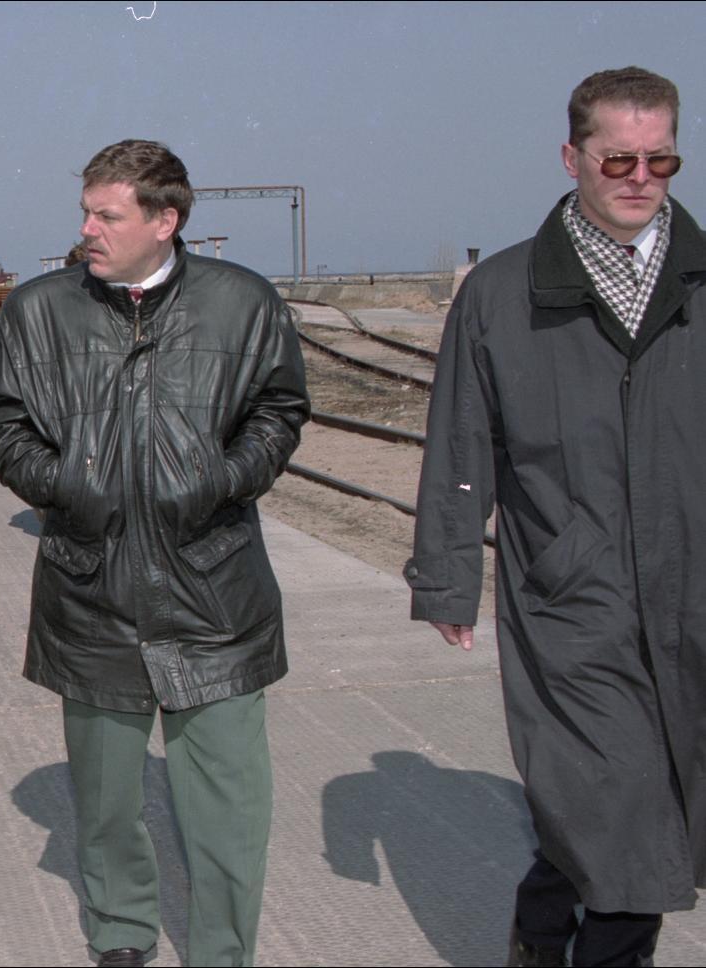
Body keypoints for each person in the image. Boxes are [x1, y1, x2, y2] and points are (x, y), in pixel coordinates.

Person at [0, 140, 308, 968]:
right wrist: (63, 484)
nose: (86, 229)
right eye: (85, 212)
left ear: (166, 220)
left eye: (106, 215)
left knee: (228, 809)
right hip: (90, 591)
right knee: (106, 799)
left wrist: (222, 477)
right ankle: (120, 932)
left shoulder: (242, 303)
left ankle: (222, 951)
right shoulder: (38, 311)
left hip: (214, 591)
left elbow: (278, 409)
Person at [408, 66, 702, 967]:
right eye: (618, 159)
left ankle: (540, 931)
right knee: (622, 806)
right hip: (570, 594)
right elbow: (460, 441)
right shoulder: (501, 294)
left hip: (693, 588)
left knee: (638, 797)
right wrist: (447, 575)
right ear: (571, 157)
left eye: (660, 159)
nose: (639, 177)